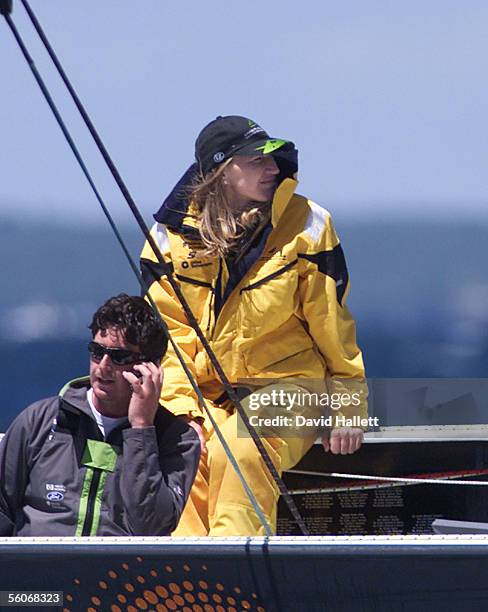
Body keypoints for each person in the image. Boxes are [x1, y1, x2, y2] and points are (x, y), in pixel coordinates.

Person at [140, 115, 367, 536]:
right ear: (223, 171)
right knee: (188, 456)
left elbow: (333, 325)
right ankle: (186, 586)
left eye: (274, 158)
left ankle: (236, 577)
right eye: (257, 160)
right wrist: (183, 413)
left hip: (292, 388)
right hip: (207, 397)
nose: (274, 168)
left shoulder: (308, 225)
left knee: (242, 447)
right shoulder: (167, 238)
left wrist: (348, 404)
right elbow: (171, 340)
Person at [0, 294, 200, 536]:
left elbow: (152, 526)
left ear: (150, 368)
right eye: (97, 351)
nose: (103, 365)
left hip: (119, 573)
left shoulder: (177, 440)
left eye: (119, 357)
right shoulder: (40, 421)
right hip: (36, 572)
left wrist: (141, 429)